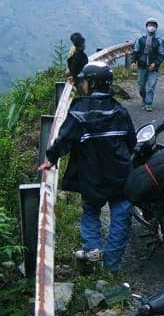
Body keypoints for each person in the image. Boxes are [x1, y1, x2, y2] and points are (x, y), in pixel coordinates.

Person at [38, 62, 137, 273]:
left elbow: (64, 138)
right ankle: (111, 266)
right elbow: (131, 141)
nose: (82, 85)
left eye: (84, 81)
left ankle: (92, 248)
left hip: (91, 175)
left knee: (91, 211)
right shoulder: (119, 109)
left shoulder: (79, 110)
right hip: (120, 174)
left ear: (91, 83)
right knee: (120, 214)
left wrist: (51, 158)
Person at [131, 17, 164, 111]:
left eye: (153, 25)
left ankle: (148, 104)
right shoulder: (141, 39)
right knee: (141, 86)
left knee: (151, 86)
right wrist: (133, 62)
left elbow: (161, 54)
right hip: (142, 66)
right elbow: (135, 51)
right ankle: (144, 99)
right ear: (146, 26)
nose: (151, 27)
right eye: (150, 25)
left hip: (153, 68)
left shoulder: (159, 41)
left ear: (156, 27)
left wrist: (155, 63)